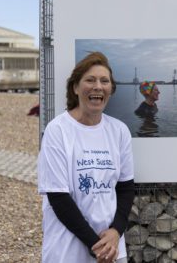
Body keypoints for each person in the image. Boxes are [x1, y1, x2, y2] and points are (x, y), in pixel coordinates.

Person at [37, 52, 135, 263]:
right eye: (90, 80)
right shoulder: (58, 130)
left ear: (111, 89)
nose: (98, 86)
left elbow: (126, 188)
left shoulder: (119, 131)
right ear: (75, 88)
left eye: (104, 81)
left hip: (111, 249)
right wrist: (96, 246)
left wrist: (116, 232)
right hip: (68, 251)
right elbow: (59, 198)